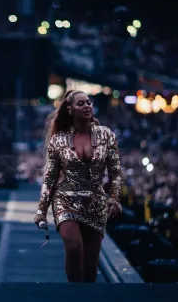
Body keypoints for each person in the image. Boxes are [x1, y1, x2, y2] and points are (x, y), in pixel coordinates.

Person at [34, 90, 123, 283]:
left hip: (95, 203)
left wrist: (115, 198)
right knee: (74, 248)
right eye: (81, 103)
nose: (87, 106)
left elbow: (115, 172)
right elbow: (49, 177)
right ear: (70, 109)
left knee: (90, 268)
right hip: (65, 201)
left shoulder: (107, 136)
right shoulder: (58, 140)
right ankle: (73, 295)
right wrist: (41, 210)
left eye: (89, 103)